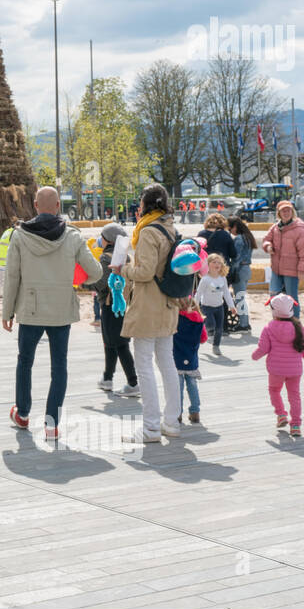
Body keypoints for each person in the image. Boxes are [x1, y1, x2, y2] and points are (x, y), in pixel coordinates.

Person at [2, 187, 101, 441]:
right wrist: (76, 280)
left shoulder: (20, 236)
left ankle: (22, 413)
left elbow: (12, 277)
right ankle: (52, 424)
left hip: (30, 309)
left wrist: (7, 311)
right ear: (58, 205)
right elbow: (96, 272)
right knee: (59, 366)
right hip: (60, 309)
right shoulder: (72, 236)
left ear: (35, 205)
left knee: (25, 362)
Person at [119, 183, 184, 444]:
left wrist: (123, 270)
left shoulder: (148, 232)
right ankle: (172, 422)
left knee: (144, 364)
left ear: (144, 204)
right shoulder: (170, 228)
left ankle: (150, 428)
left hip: (148, 305)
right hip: (168, 302)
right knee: (167, 362)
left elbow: (144, 272)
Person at [252, 293, 304, 438]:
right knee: (294, 396)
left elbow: (263, 348)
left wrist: (255, 356)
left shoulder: (268, 328)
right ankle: (296, 425)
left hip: (276, 370)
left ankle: (280, 414)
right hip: (295, 370)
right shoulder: (298, 326)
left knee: (274, 390)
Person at [89, 223, 137, 394]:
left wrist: (86, 282)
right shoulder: (127, 256)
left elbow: (101, 284)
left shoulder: (106, 258)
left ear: (107, 239)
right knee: (111, 342)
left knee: (119, 344)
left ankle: (133, 383)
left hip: (110, 306)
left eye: (101, 236)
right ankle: (107, 378)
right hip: (125, 305)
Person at [261, 200, 304, 320]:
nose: (286, 213)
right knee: (274, 295)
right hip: (276, 269)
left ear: (292, 212)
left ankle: (295, 324)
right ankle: (277, 321)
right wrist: (268, 246)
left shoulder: (299, 230)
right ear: (279, 213)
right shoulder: (275, 228)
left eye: (288, 210)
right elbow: (266, 239)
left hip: (291, 270)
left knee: (291, 297)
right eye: (283, 211)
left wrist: (302, 270)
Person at [173, 296, 207, 425]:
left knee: (178, 389)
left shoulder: (175, 319)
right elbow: (203, 339)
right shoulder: (198, 321)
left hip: (176, 359)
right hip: (192, 360)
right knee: (192, 387)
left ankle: (178, 413)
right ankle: (195, 412)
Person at [195, 253, 231, 356]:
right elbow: (199, 293)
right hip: (207, 307)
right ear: (208, 265)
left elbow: (226, 293)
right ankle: (203, 332)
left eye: (219, 262)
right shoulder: (205, 279)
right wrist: (195, 306)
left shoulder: (222, 278)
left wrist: (231, 306)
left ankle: (216, 346)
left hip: (219, 307)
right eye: (214, 262)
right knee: (211, 325)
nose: (217, 264)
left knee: (219, 328)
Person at [227, 216, 256, 333]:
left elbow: (236, 257)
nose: (230, 232)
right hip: (247, 269)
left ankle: (244, 324)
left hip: (240, 269)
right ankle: (245, 322)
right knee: (241, 297)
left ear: (235, 226)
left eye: (230, 229)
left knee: (240, 298)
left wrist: (231, 271)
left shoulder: (239, 238)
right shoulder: (248, 237)